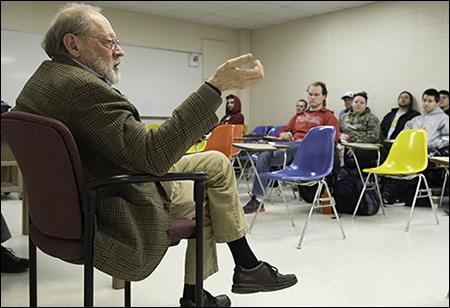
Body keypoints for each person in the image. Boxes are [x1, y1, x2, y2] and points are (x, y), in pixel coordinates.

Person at [12, 3, 297, 306]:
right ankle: (221, 280)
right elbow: (153, 157)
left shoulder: (42, 82)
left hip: (78, 196)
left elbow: (121, 145)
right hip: (115, 196)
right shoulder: (83, 88)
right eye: (109, 42)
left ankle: (241, 270)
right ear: (73, 44)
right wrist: (215, 88)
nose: (119, 51)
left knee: (215, 163)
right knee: (211, 193)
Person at [243, 81, 340, 214]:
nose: (312, 97)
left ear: (324, 96)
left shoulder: (329, 117)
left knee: (300, 143)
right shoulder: (298, 116)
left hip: (309, 155)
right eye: (310, 94)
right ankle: (257, 200)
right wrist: (285, 134)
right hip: (290, 150)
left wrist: (308, 142)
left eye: (316, 95)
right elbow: (284, 130)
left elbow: (330, 143)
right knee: (264, 153)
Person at [339, 91, 380, 170]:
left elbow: (373, 136)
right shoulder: (344, 117)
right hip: (347, 145)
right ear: (352, 103)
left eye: (362, 103)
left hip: (365, 147)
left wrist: (355, 145)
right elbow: (338, 131)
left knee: (357, 154)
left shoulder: (371, 118)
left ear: (365, 105)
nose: (358, 104)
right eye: (356, 102)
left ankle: (361, 177)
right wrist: (341, 136)